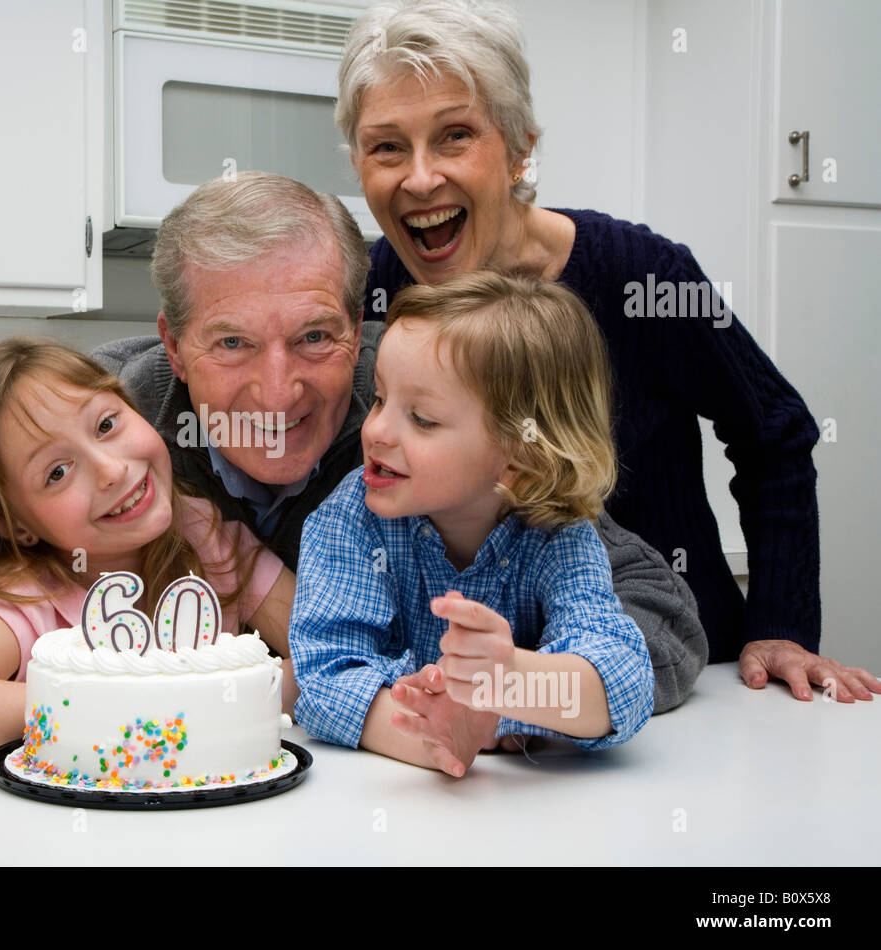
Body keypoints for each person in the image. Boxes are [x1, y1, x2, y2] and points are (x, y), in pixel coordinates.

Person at [0, 173, 705, 771]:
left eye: (315, 334)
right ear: (174, 347)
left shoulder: (408, 402)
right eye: (232, 342)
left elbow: (652, 606)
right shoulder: (116, 418)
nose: (278, 388)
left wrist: (518, 705)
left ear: (357, 324)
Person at [338, 0, 879, 702]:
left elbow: (774, 432)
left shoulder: (642, 277)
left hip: (671, 677)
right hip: (476, 697)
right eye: (387, 147)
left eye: (454, 136)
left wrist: (780, 625)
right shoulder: (377, 287)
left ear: (519, 147)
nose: (418, 177)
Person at [0, 338, 294, 763]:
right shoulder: (30, 603)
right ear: (15, 525)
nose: (110, 469)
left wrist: (238, 692)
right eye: (56, 473)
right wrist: (119, 705)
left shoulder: (204, 537)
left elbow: (332, 645)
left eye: (106, 424)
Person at [293, 272, 655, 776]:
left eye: (422, 418)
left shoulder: (558, 535)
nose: (374, 430)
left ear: (520, 457)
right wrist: (436, 736)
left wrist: (509, 683)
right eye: (379, 399)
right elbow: (325, 677)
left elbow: (625, 679)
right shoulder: (350, 519)